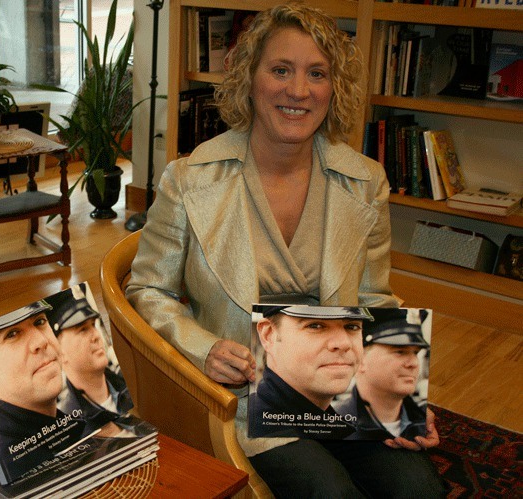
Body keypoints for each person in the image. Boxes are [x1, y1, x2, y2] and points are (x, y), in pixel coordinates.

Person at [126, 3, 445, 497]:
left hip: (344, 390)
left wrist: (399, 393)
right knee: (329, 493)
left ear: (333, 89)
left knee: (417, 489)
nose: (299, 91)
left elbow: (374, 299)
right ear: (249, 79)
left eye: (317, 74)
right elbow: (148, 288)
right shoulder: (189, 180)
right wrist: (203, 348)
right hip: (246, 398)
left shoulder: (365, 182)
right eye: (281, 70)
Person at [0, 302, 93, 478]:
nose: (41, 341)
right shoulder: (9, 468)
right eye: (12, 334)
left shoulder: (77, 424)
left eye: (39, 322)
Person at [249, 306, 373, 439]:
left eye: (352, 327)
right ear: (269, 335)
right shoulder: (253, 431)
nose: (344, 343)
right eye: (315, 326)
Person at [45, 284, 134, 433]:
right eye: (83, 329)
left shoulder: (131, 384)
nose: (96, 336)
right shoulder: (69, 427)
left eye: (93, 325)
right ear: (59, 351)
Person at [334, 308, 430, 440]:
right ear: (360, 360)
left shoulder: (426, 422)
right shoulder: (334, 425)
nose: (413, 363)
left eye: (415, 353)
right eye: (400, 352)